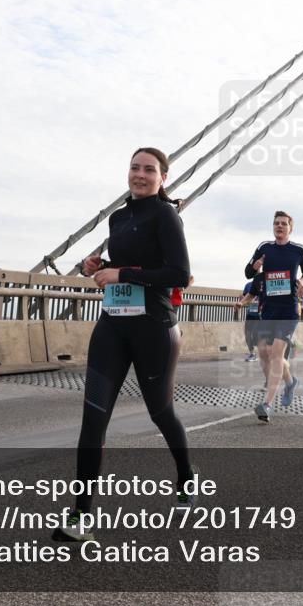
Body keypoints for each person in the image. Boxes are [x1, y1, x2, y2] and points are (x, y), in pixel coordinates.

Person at [54, 147, 194, 542]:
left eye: (149, 170)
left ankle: (186, 476)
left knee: (160, 412)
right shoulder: (119, 217)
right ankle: (82, 516)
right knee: (93, 419)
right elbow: (116, 267)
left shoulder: (166, 215)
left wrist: (123, 273)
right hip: (113, 327)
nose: (140, 174)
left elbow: (179, 273)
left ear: (162, 178)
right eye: (135, 167)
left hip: (154, 328)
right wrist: (94, 267)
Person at [245, 211, 303, 422]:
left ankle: (268, 403)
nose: (279, 226)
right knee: (263, 352)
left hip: (288, 310)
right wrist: (255, 267)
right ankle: (290, 382)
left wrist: (302, 281)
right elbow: (248, 273)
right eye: (276, 223)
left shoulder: (298, 250)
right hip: (268, 308)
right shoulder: (264, 247)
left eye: (283, 224)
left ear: (290, 228)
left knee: (276, 354)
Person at [237, 279, 261, 361]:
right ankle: (252, 354)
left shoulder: (265, 283)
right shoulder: (248, 285)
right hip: (250, 313)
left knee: (258, 336)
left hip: (261, 314)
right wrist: (242, 300)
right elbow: (245, 299)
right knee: (247, 334)